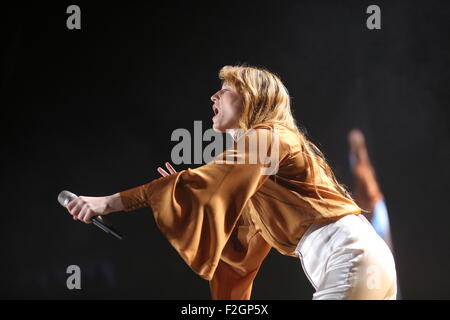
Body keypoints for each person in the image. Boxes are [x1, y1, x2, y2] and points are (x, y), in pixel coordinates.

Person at [66, 65, 397, 299]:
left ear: (252, 98)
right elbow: (240, 255)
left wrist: (107, 202)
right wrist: (183, 194)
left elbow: (206, 182)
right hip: (363, 261)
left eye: (225, 90)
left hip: (349, 257)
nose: (214, 96)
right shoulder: (264, 162)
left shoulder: (269, 138)